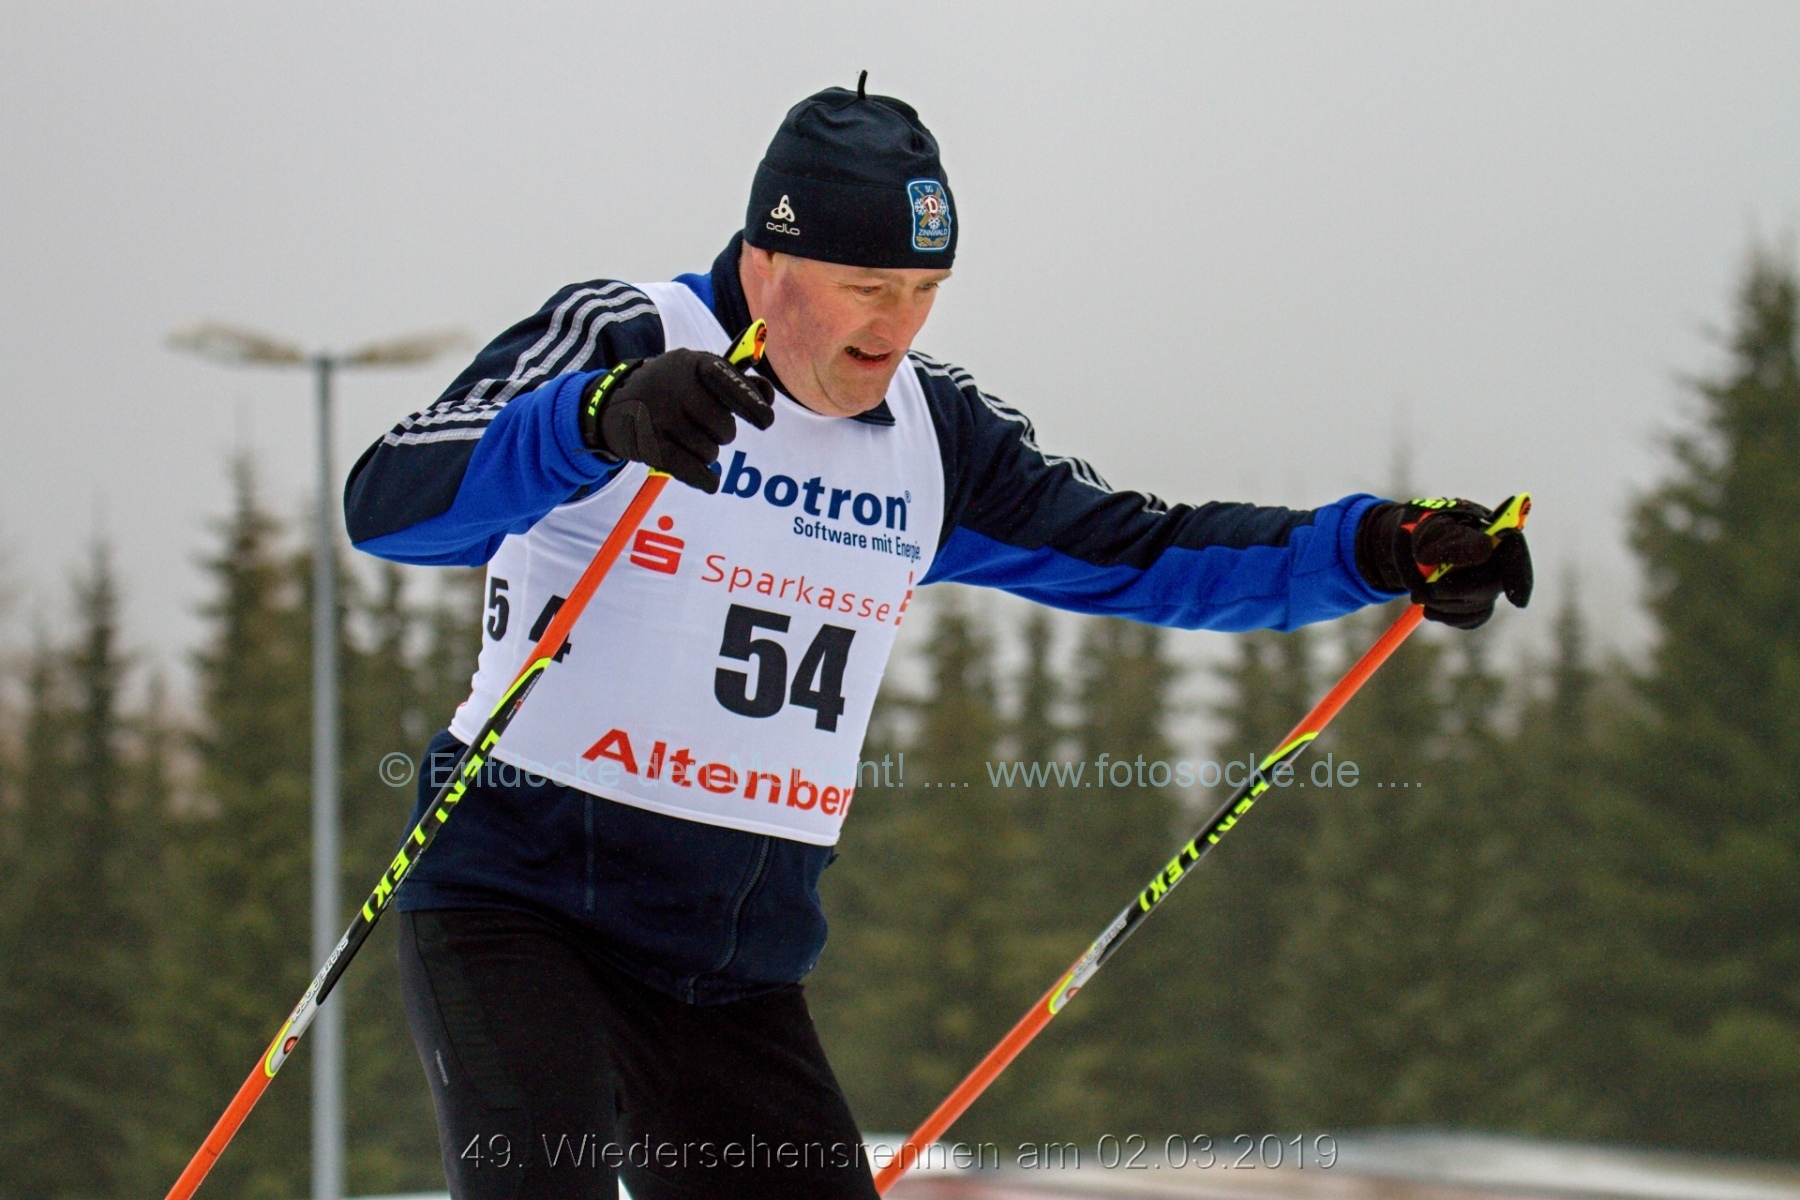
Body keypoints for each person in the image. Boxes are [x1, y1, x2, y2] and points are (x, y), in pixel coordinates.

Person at [344, 76, 1531, 1200]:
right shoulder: (628, 334)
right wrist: (597, 419)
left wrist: (1377, 548)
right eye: (867, 284)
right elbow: (391, 500)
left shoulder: (934, 435)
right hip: (522, 898)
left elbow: (1149, 551)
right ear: (766, 261)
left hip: (729, 967)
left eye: (925, 289)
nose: (896, 325)